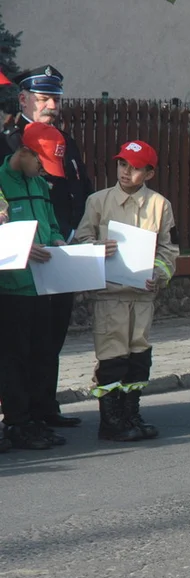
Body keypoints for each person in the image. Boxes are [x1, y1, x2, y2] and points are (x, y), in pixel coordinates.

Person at [3, 65, 94, 431]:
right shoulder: (10, 141)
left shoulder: (64, 140)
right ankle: (21, 414)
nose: (51, 105)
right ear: (24, 99)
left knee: (51, 335)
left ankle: (44, 406)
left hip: (59, 251)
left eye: (55, 98)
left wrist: (72, 234)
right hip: (21, 258)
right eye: (43, 98)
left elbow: (79, 190)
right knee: (20, 342)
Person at [74, 140, 178, 441]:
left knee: (138, 355)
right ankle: (110, 420)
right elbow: (80, 239)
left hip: (143, 294)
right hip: (110, 294)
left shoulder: (160, 205)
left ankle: (131, 413)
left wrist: (159, 275)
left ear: (149, 173)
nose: (125, 172)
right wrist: (95, 248)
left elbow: (169, 249)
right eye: (122, 164)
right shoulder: (98, 201)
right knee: (112, 357)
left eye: (134, 168)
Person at [0, 123, 68, 450]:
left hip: (43, 285)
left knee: (43, 352)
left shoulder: (40, 184)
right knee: (15, 358)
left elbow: (51, 221)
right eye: (40, 161)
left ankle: (37, 417)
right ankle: (17, 422)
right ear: (23, 152)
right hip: (12, 289)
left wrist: (55, 237)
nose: (43, 170)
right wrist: (22, 249)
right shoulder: (1, 184)